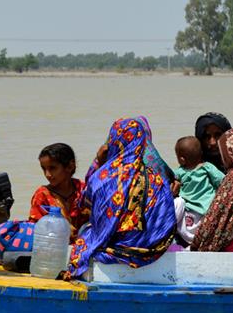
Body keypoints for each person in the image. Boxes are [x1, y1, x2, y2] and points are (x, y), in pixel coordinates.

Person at [67, 117, 176, 278]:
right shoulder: (158, 180)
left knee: (85, 230)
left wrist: (98, 162)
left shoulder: (102, 178)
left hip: (116, 247)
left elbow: (85, 206)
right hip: (152, 249)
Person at [0, 143, 89, 259]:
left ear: (70, 167)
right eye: (44, 169)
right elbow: (36, 231)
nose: (47, 174)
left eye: (53, 168)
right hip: (55, 254)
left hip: (85, 249)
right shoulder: (42, 195)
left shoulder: (85, 190)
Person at [172, 136, 224, 245]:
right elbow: (223, 181)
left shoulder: (179, 172)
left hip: (188, 211)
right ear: (201, 153)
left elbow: (171, 182)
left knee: (177, 202)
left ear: (182, 159)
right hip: (207, 211)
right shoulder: (207, 167)